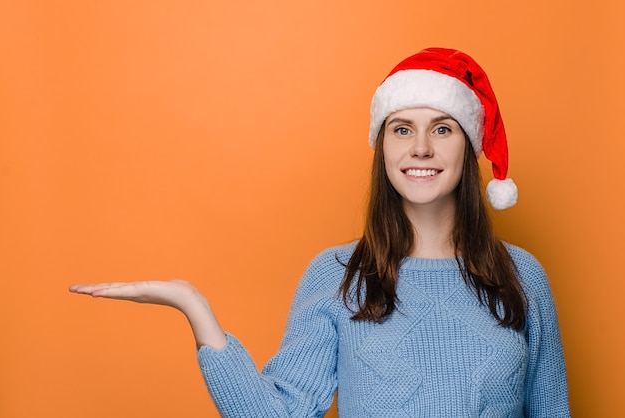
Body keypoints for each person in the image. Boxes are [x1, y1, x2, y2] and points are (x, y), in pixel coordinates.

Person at [70, 47, 570, 417]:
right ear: (383, 149)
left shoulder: (523, 276)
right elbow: (280, 412)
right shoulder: (338, 275)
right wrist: (194, 307)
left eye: (442, 128)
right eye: (402, 129)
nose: (420, 147)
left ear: (469, 146)